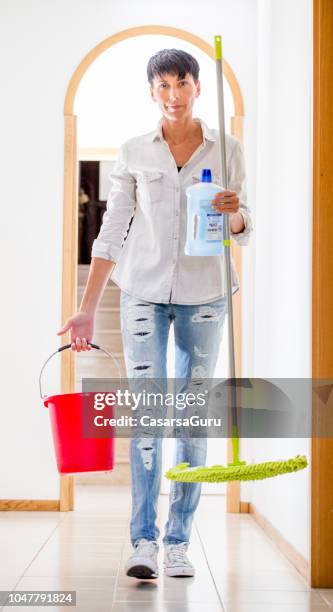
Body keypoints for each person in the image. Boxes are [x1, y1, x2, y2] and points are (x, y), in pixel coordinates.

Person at [57, 48, 253, 580]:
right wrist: (86, 309)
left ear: (196, 87)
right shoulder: (133, 152)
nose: (173, 94)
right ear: (151, 92)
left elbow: (245, 226)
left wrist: (235, 217)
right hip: (142, 291)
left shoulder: (227, 147)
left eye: (182, 83)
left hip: (206, 292)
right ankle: (142, 540)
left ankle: (177, 542)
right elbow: (112, 228)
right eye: (162, 85)